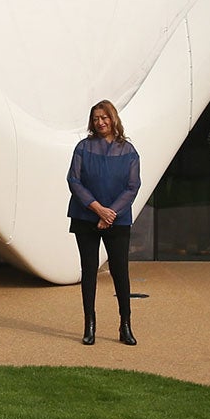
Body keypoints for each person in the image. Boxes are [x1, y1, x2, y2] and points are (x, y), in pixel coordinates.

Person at [67, 99, 141, 346]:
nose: (100, 122)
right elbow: (74, 181)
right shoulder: (83, 148)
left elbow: (133, 187)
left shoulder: (128, 151)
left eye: (104, 117)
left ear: (113, 119)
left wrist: (111, 214)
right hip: (85, 217)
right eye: (96, 118)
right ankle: (89, 325)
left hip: (117, 221)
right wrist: (98, 209)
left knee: (121, 272)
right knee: (89, 272)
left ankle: (125, 325)